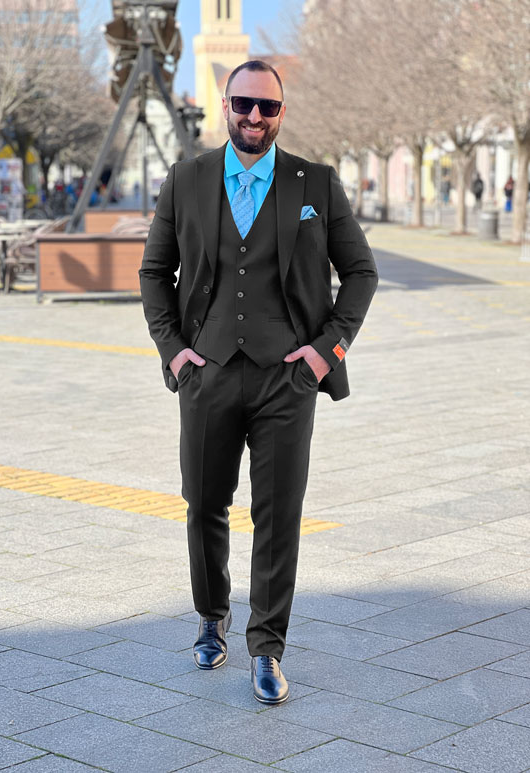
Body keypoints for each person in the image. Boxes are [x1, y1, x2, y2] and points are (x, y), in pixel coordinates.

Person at [139, 60, 378, 705]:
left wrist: (325, 353)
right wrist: (174, 353)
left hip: (286, 379)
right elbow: (155, 273)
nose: (254, 116)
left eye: (267, 107)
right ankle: (210, 617)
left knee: (279, 514)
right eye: (243, 103)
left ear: (281, 113)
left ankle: (267, 647)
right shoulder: (186, 179)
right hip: (208, 372)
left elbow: (361, 272)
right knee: (203, 504)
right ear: (225, 105)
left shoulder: (316, 183)